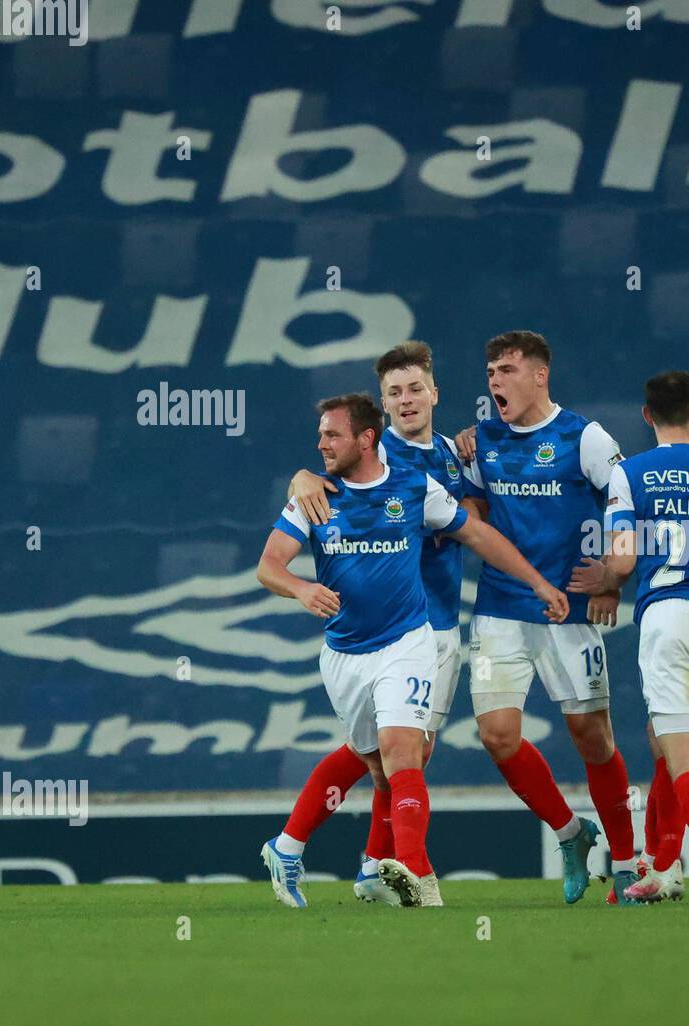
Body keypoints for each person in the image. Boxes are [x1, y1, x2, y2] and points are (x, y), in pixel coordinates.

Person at [257, 393, 568, 909]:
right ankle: (287, 847)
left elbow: (477, 535)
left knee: (404, 749)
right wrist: (301, 587)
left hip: (408, 641)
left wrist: (537, 582)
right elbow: (269, 565)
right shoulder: (315, 495)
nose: (321, 444)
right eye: (320, 435)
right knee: (373, 763)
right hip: (344, 654)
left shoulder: (412, 487)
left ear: (365, 438)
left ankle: (415, 876)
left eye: (332, 434)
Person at [452, 330, 637, 904]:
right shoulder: (482, 440)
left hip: (569, 612)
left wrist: (614, 574)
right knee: (498, 735)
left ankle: (629, 862)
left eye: (506, 370)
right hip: (499, 611)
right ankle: (571, 833)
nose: (495, 382)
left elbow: (624, 499)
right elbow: (472, 511)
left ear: (539, 375)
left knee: (592, 738)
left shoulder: (584, 437)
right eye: (490, 373)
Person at [570, 370, 689, 904]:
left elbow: (625, 559)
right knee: (668, 747)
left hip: (670, 621)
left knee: (681, 761)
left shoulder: (630, 475)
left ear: (646, 415)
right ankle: (661, 868)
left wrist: (607, 578)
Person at [286, 342, 472, 905]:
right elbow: (319, 471)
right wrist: (301, 477)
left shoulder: (456, 452)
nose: (406, 399)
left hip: (441, 623)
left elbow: (478, 518)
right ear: (382, 413)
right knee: (397, 753)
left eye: (415, 388)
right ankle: (392, 868)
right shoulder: (371, 458)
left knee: (401, 755)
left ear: (434, 393)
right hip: (401, 629)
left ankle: (370, 864)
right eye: (394, 392)